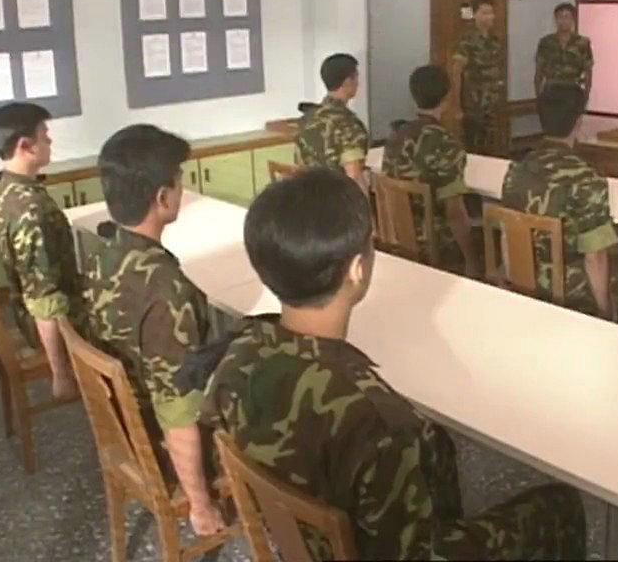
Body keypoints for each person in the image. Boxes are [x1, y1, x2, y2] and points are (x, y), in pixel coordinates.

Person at [201, 168, 585, 560]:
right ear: (357, 269)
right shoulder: (380, 423)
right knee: (561, 504)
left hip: (302, 544)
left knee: (436, 445)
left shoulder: (237, 354)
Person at [86, 124, 225, 537]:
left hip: (125, 414)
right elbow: (177, 408)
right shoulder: (166, 290)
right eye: (180, 182)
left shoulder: (103, 252)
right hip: (156, 437)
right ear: (163, 198)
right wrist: (200, 506)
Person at [0, 102, 84, 399]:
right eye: (44, 135)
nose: (50, 140)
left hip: (31, 308)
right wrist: (61, 374)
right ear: (25, 146)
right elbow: (44, 300)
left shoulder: (7, 187)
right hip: (55, 322)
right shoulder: (29, 210)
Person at [501, 86, 618, 318]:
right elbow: (595, 257)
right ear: (579, 122)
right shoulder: (587, 179)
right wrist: (604, 311)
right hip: (569, 290)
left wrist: (514, 283)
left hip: (522, 280)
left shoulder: (516, 170)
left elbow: (507, 235)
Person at [382, 65, 481, 276]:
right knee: (487, 239)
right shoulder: (445, 143)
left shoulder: (395, 136)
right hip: (434, 242)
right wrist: (472, 261)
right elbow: (455, 213)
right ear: (447, 97)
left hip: (396, 234)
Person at [295, 54, 369, 188]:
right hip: (338, 197)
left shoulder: (307, 118)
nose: (358, 83)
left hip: (310, 194)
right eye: (356, 77)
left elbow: (300, 166)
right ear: (347, 82)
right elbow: (354, 177)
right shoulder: (348, 124)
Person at [450, 0, 506, 153]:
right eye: (484, 13)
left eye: (491, 12)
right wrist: (457, 106)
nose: (490, 17)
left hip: (492, 104)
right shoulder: (467, 40)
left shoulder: (495, 40)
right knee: (474, 149)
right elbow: (456, 73)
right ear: (474, 15)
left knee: (492, 147)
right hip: (473, 106)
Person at [533, 3, 594, 98]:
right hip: (551, 91)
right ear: (555, 19)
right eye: (560, 17)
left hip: (573, 90)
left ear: (573, 19)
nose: (563, 20)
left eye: (567, 17)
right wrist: (539, 97)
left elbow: (588, 72)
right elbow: (538, 72)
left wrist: (585, 96)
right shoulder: (546, 42)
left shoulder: (583, 43)